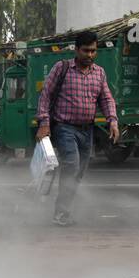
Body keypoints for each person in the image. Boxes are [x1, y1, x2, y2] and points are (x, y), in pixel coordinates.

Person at [34, 30, 119, 226]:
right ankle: (61, 213)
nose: (90, 55)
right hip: (64, 127)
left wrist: (112, 121)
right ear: (76, 49)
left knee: (77, 172)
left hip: (87, 130)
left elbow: (106, 98)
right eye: (86, 51)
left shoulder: (99, 73)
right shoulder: (61, 68)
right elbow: (45, 96)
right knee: (71, 165)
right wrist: (44, 123)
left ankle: (64, 208)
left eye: (93, 51)